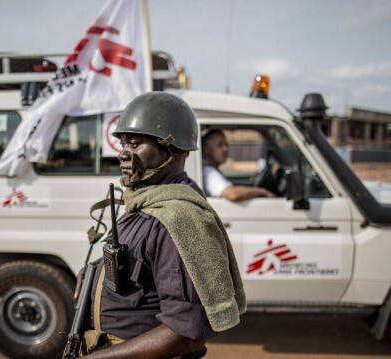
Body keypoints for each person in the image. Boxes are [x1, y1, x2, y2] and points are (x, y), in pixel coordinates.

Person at [82, 92, 246, 358]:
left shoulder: (179, 219)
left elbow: (186, 333)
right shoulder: (143, 202)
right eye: (123, 144)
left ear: (176, 150)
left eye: (135, 144)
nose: (123, 154)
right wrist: (91, 276)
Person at [201, 129, 274, 201]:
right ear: (206, 149)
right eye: (220, 145)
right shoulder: (209, 173)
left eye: (226, 144)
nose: (225, 149)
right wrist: (263, 192)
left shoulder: (211, 170)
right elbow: (232, 195)